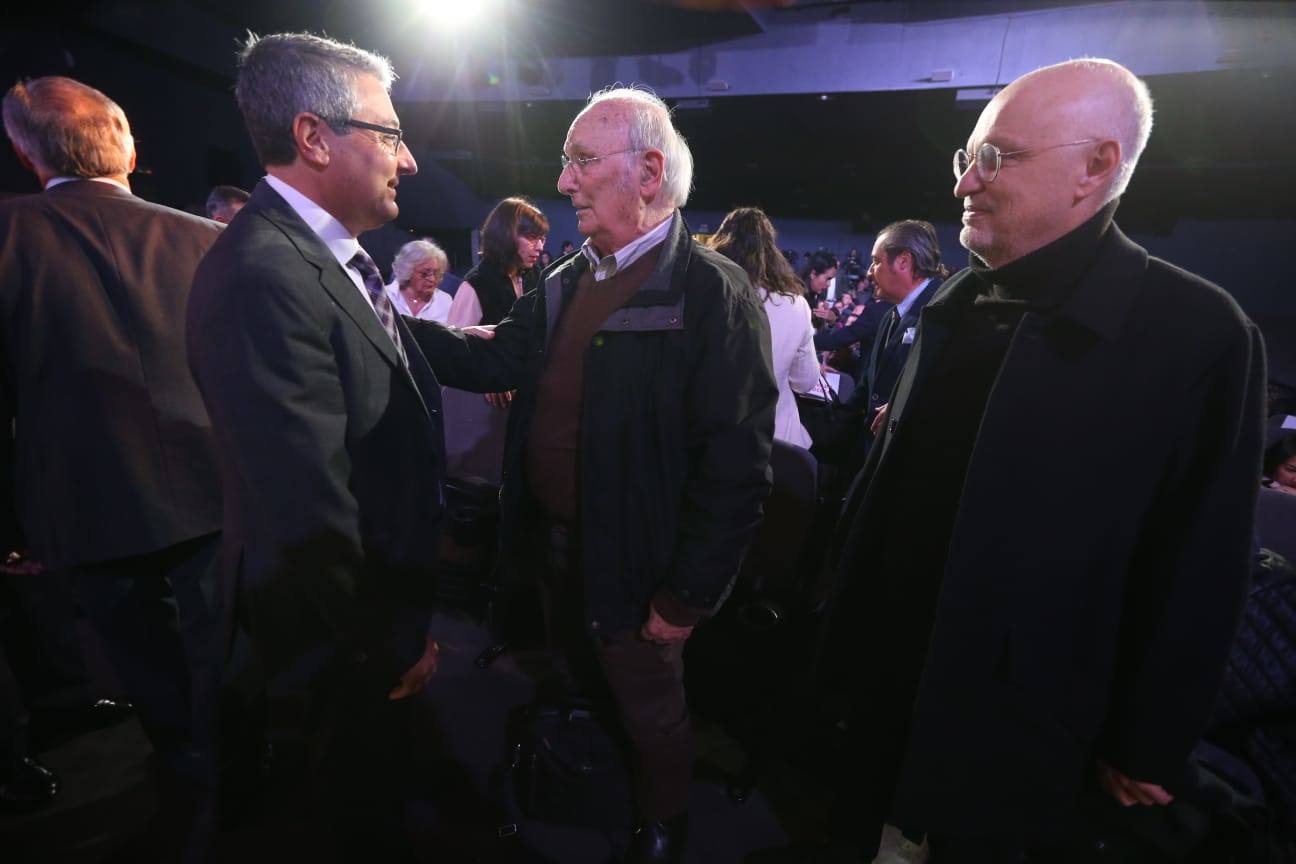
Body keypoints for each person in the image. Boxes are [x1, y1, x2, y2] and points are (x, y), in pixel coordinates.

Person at [807, 58, 1266, 862]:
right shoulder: (955, 305)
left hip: (1025, 742)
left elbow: (1200, 562)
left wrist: (1147, 741)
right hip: (887, 694)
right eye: (966, 159)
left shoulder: (1197, 332)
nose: (965, 186)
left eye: (997, 158)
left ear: (1097, 167)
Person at [411, 85, 776, 864]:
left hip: (642, 562)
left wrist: (685, 596)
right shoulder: (571, 276)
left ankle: (662, 826)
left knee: (652, 706)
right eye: (567, 162)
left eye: (580, 161)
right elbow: (500, 355)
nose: (566, 181)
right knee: (580, 669)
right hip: (554, 540)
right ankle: (589, 776)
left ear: (648, 172)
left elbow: (737, 468)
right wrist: (391, 331)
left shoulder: (712, 292)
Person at [186, 32, 445, 860]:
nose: (407, 161)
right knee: (342, 811)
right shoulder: (265, 272)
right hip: (332, 634)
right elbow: (305, 505)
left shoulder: (322, 257)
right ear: (313, 136)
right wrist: (384, 643)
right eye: (392, 135)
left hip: (362, 610)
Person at [0, 75, 223, 855]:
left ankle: (189, 768)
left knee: (143, 658)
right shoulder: (205, 239)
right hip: (219, 490)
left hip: (82, 497)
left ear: (25, 152)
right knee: (224, 641)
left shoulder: (7, 235)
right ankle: (238, 766)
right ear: (126, 141)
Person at [710, 206, 818, 449]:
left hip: (710, 438)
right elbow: (805, 381)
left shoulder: (703, 293)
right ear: (772, 250)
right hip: (775, 441)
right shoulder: (796, 305)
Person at [446, 196, 548, 327]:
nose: (540, 247)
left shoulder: (536, 275)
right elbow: (455, 342)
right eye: (532, 237)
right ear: (505, 235)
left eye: (542, 239)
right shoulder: (476, 284)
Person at [388, 238, 452, 322]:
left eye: (436, 273)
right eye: (424, 274)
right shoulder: (385, 296)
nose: (432, 279)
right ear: (407, 271)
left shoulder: (445, 300)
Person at [800, 250, 839, 328]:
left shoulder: (818, 295)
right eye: (827, 279)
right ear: (813, 274)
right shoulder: (793, 296)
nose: (829, 284)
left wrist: (830, 319)